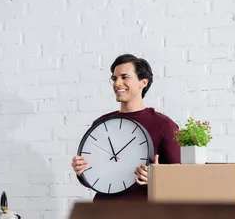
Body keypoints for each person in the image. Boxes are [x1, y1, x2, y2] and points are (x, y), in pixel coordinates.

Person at [71, 53, 180, 201]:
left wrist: (156, 177)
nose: (117, 84)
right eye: (114, 78)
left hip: (141, 215)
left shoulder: (163, 124)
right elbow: (93, 179)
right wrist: (81, 171)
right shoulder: (101, 123)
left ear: (143, 82)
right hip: (102, 212)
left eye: (124, 77)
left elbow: (181, 177)